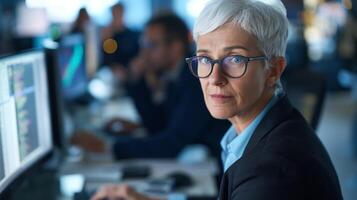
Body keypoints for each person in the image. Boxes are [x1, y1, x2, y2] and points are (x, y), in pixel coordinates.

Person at [90, 0, 343, 200]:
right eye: (204, 59)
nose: (214, 78)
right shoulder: (245, 138)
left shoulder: (273, 171)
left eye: (235, 59)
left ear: (273, 70)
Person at [72, 13, 230, 160]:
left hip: (216, 171)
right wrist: (136, 80)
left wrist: (107, 147)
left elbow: (170, 144)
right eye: (144, 44)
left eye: (152, 45)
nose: (143, 53)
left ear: (175, 47)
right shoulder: (174, 75)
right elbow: (158, 126)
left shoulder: (196, 79)